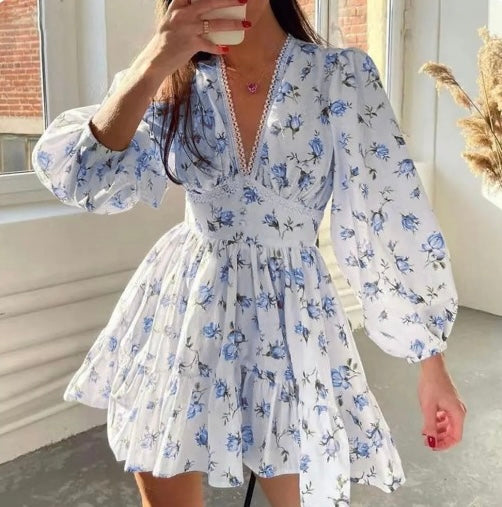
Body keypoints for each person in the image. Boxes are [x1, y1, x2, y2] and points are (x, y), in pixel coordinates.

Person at [31, 0, 468, 505]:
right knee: (164, 483)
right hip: (185, 309)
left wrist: (431, 365)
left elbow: (386, 214)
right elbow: (85, 178)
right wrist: (156, 59)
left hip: (292, 319)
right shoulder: (171, 78)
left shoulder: (339, 77)